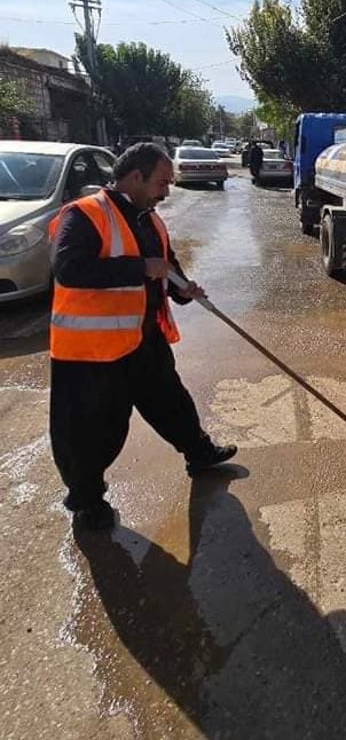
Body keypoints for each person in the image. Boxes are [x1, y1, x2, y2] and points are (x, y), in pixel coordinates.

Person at [48, 142, 237, 530]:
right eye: (161, 183)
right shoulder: (84, 215)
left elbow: (163, 268)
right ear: (135, 177)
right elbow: (70, 269)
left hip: (142, 337)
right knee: (93, 431)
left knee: (171, 401)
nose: (167, 191)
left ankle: (198, 453)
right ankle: (86, 500)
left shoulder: (148, 218)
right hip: (91, 354)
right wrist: (140, 268)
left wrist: (181, 289)